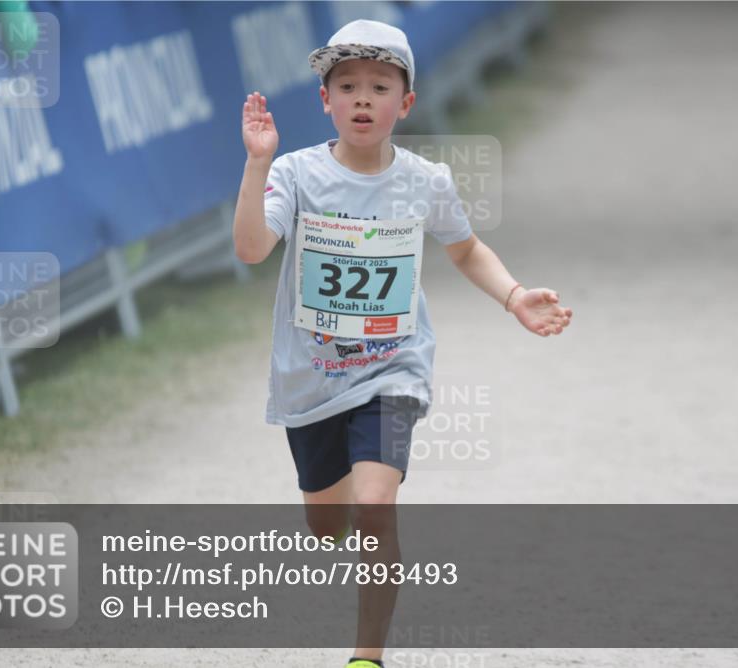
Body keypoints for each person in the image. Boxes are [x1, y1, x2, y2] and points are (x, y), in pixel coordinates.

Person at [232, 19, 572, 668]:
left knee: (376, 502)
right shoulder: (296, 174)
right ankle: (334, 526)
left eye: (379, 86)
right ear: (324, 100)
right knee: (327, 523)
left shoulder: (425, 181)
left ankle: (367, 656)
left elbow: (466, 248)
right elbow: (251, 249)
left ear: (405, 103)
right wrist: (255, 163)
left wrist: (514, 295)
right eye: (348, 85)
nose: (363, 98)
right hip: (310, 379)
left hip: (393, 371)